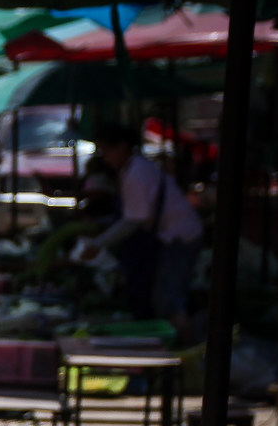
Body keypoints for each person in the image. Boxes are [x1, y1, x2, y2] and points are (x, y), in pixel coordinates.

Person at [77, 123, 204, 333]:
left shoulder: (137, 172)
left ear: (122, 147)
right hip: (172, 236)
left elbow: (134, 219)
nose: (105, 158)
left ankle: (189, 352)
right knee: (165, 298)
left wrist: (98, 244)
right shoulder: (133, 170)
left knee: (167, 301)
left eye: (107, 151)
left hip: (180, 237)